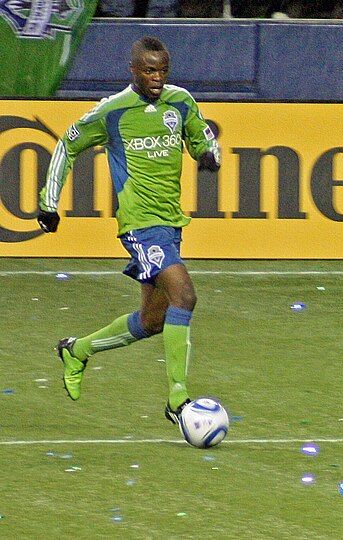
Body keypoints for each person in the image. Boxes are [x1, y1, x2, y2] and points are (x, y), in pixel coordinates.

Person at [37, 36, 220, 426]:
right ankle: (178, 399)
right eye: (150, 70)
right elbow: (66, 146)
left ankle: (78, 350)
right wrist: (48, 202)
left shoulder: (180, 101)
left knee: (153, 320)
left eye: (163, 71)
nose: (157, 78)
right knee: (184, 297)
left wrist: (209, 155)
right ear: (133, 69)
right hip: (139, 223)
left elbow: (203, 137)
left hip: (170, 222)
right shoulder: (113, 111)